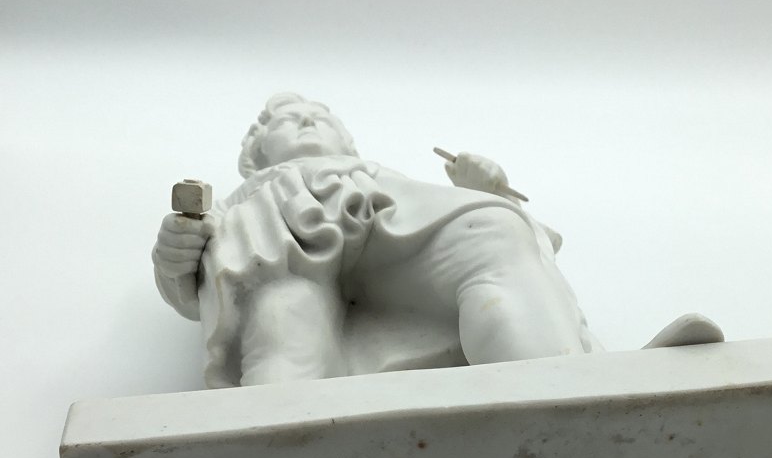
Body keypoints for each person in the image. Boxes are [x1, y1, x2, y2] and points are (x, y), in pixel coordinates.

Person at [153, 92, 721, 387]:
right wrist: (177, 253)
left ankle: (568, 386)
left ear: (345, 141)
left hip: (393, 224)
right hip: (277, 251)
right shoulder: (240, 203)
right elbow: (188, 277)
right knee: (282, 319)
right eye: (288, 120)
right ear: (254, 154)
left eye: (319, 118)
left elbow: (499, 228)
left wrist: (485, 193)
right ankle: (279, 452)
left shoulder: (382, 178)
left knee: (494, 231)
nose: (306, 123)